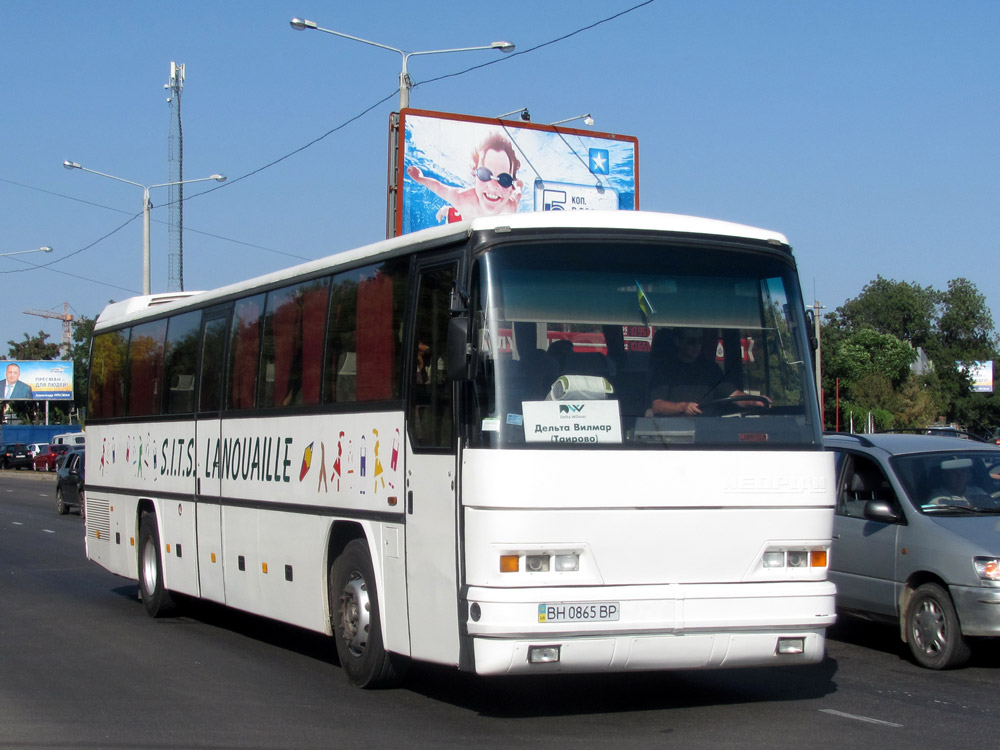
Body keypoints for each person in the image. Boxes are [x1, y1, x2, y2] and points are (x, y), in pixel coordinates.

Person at [646, 329, 766, 417]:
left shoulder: (711, 368)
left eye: (700, 341)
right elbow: (657, 406)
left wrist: (753, 401)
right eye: (692, 341)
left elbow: (733, 395)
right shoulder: (664, 369)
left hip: (711, 431)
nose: (697, 346)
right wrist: (683, 407)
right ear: (678, 341)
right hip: (675, 433)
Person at [406, 132, 523, 223]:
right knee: (454, 215)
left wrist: (518, 186)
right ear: (475, 176)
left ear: (510, 187)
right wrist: (419, 178)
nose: (493, 186)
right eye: (485, 174)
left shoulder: (510, 206)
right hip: (463, 221)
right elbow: (438, 187)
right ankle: (447, 210)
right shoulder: (462, 199)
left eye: (504, 180)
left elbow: (518, 192)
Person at [925, 458, 990, 507]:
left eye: (963, 471)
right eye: (954, 472)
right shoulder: (938, 499)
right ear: (945, 476)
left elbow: (991, 507)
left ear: (968, 475)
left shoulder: (978, 491)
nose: (960, 475)